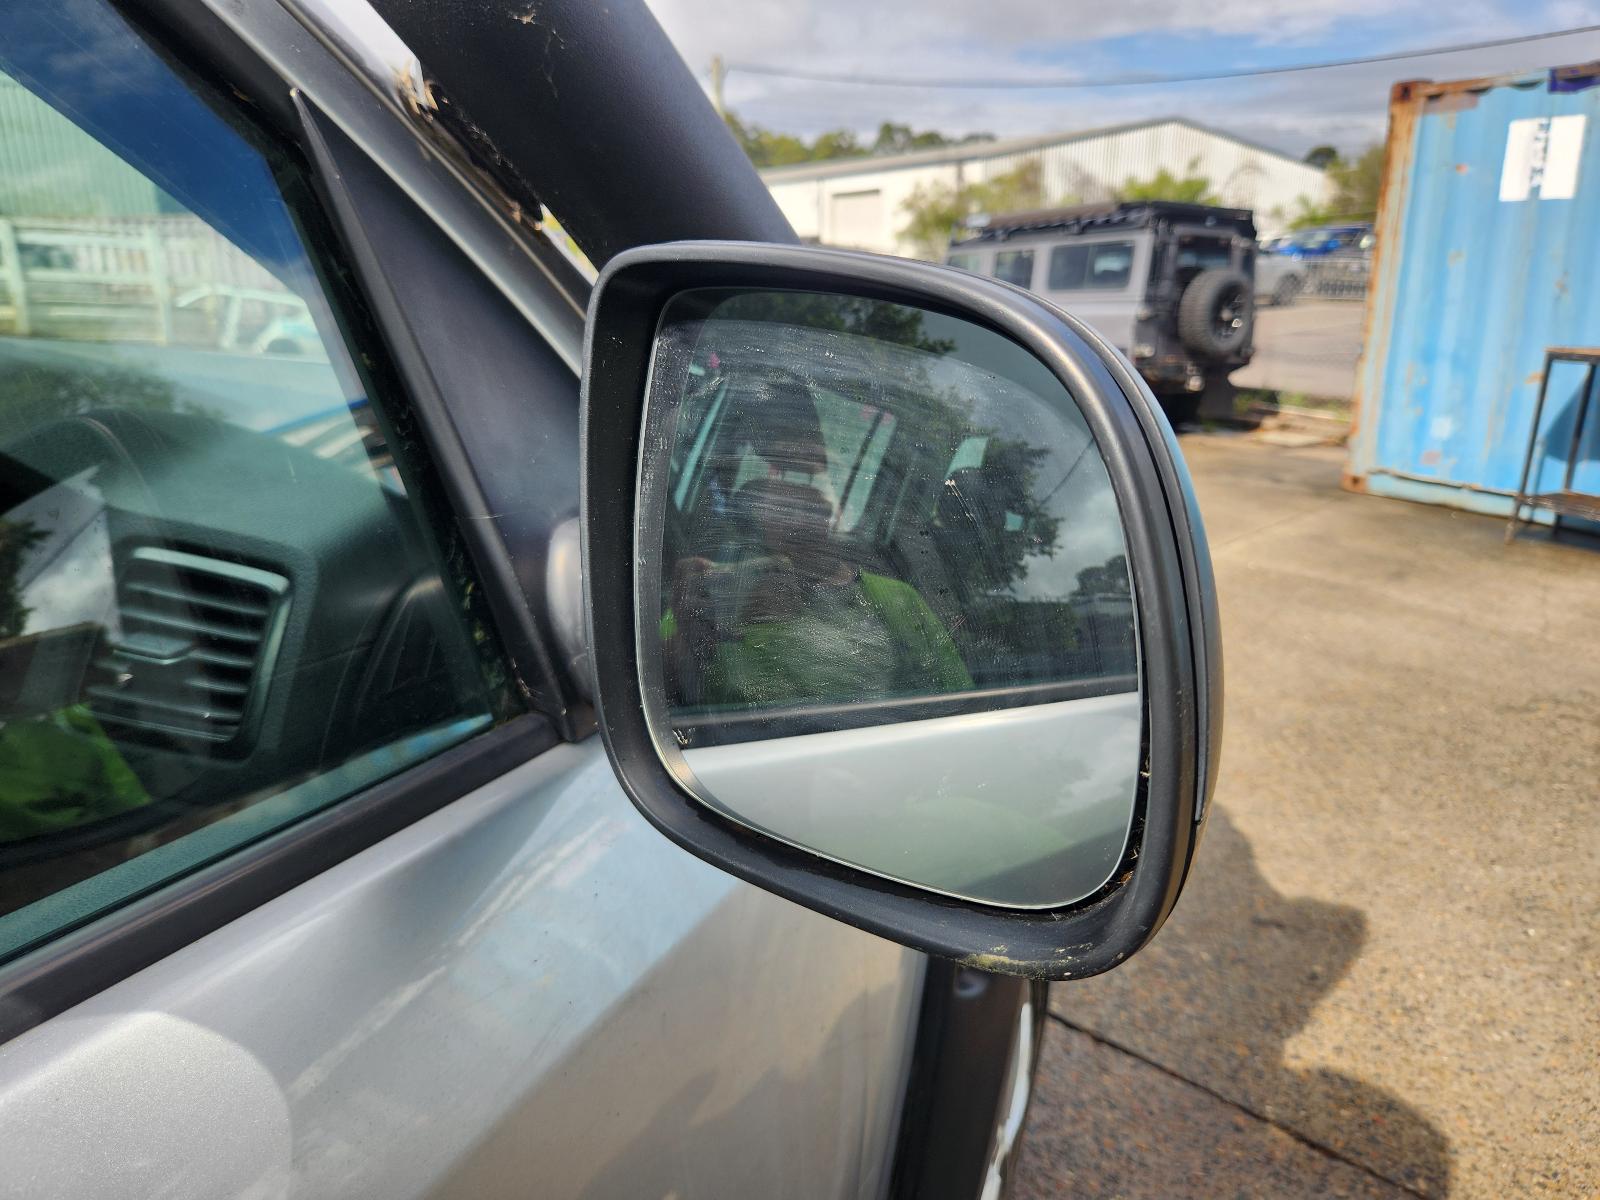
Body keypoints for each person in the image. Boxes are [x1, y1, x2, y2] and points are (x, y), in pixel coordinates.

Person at [663, 382, 971, 711]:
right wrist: (687, 640)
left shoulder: (899, 602)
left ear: (833, 509)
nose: (797, 512)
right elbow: (651, 703)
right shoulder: (714, 594)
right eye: (776, 493)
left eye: (809, 484)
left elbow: (961, 709)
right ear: (749, 517)